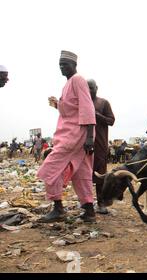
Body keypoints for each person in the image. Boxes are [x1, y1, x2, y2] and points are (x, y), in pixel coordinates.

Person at [37, 50, 96, 223]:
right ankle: (89, 210)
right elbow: (72, 109)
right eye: (60, 65)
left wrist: (90, 137)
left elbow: (87, 108)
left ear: (74, 65)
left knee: (50, 168)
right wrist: (58, 104)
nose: (62, 68)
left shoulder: (78, 80)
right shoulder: (69, 83)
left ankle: (58, 208)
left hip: (74, 135)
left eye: (66, 64)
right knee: (82, 171)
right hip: (74, 133)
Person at [87, 79, 116, 214]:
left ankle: (101, 202)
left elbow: (111, 120)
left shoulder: (103, 103)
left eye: (91, 88)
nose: (89, 90)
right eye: (87, 88)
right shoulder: (82, 103)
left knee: (100, 175)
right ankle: (86, 203)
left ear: (96, 88)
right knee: (84, 175)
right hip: (84, 145)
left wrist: (97, 115)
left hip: (100, 144)